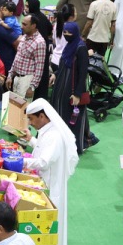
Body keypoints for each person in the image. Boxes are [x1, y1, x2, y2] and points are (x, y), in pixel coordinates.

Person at [24, 99, 80, 245]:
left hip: (51, 187)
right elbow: (43, 148)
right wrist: (31, 140)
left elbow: (43, 162)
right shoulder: (47, 131)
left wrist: (20, 161)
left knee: (49, 227)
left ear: (42, 116)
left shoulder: (54, 136)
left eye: (32, 119)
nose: (30, 123)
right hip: (44, 184)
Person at [50, 21, 90, 154]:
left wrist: (78, 94)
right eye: (64, 32)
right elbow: (64, 64)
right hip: (61, 87)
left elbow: (83, 73)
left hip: (72, 91)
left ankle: (72, 147)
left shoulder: (81, 48)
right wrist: (55, 74)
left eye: (69, 33)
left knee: (71, 119)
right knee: (59, 115)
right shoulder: (68, 46)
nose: (66, 35)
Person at [9, 13, 48, 99]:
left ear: (33, 26)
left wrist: (32, 87)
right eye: (22, 23)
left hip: (26, 81)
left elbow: (39, 67)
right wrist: (10, 75)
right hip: (17, 78)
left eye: (25, 24)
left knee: (24, 106)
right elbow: (17, 57)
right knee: (14, 105)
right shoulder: (24, 37)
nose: (21, 26)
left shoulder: (39, 42)